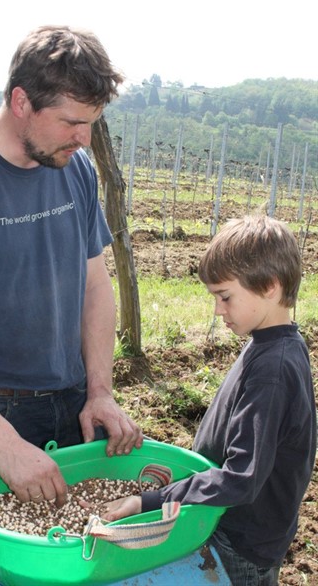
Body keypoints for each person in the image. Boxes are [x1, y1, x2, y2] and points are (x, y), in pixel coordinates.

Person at [0, 25, 143, 507]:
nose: (84, 138)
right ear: (21, 102)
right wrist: (4, 444)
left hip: (74, 391)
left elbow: (94, 285)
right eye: (71, 122)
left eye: (93, 122)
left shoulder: (73, 166)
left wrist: (100, 390)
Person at [99, 215, 316, 586]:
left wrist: (147, 502)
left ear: (270, 287)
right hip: (232, 524)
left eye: (225, 296)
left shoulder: (272, 370)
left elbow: (241, 478)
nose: (218, 310)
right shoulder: (269, 343)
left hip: (240, 543)